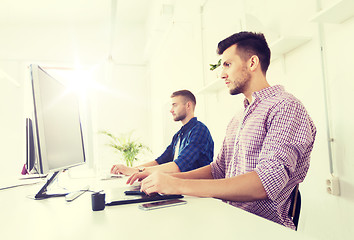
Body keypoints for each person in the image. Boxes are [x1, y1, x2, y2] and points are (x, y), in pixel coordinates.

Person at [127, 32, 316, 230]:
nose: (221, 74)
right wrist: (165, 180)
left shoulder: (285, 107)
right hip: (227, 218)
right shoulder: (238, 117)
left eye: (227, 64)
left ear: (252, 63)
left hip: (260, 229)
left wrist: (177, 185)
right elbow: (218, 170)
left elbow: (265, 183)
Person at [111, 90, 214, 176]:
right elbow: (160, 161)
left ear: (188, 105)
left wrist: (136, 172)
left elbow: (179, 165)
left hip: (198, 194)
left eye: (175, 105)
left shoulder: (200, 130)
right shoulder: (178, 135)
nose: (171, 110)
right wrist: (130, 170)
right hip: (180, 190)